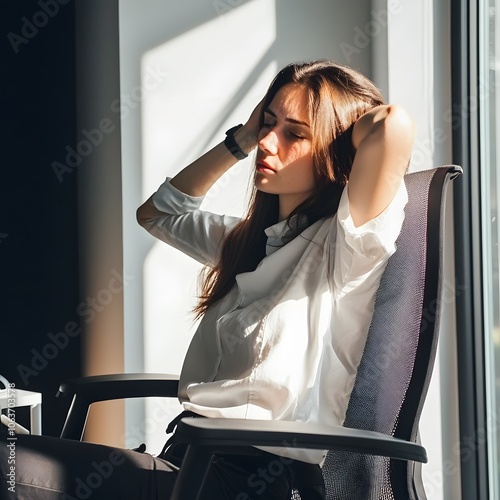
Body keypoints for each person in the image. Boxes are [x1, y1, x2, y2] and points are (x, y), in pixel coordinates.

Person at [0, 59, 415, 499]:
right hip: (187, 464)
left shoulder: (346, 252)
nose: (267, 144)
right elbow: (158, 214)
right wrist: (241, 138)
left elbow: (392, 124)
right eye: (266, 125)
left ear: (336, 150)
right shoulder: (253, 242)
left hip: (241, 482)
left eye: (295, 133)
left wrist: (337, 126)